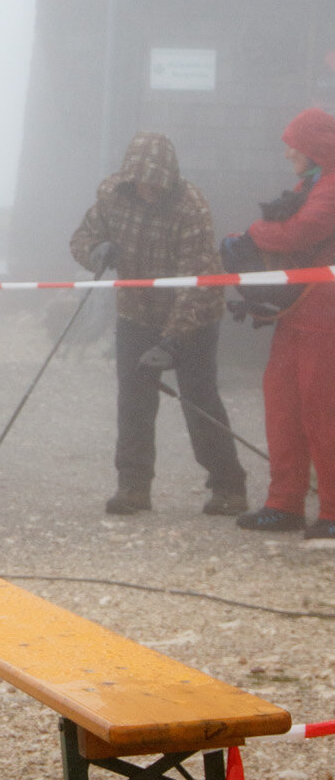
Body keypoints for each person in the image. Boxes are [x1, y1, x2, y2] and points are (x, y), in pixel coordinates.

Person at [68, 131, 246, 518]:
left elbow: (196, 280)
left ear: (169, 177)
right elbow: (82, 237)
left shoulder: (190, 207)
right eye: (141, 179)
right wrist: (95, 252)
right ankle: (133, 487)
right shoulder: (113, 195)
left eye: (156, 181)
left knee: (198, 399)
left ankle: (228, 485)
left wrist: (171, 342)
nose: (148, 187)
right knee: (133, 399)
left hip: (193, 315)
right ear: (130, 175)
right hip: (136, 313)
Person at [221, 107, 335, 541]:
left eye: (296, 145)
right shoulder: (312, 183)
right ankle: (284, 503)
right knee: (283, 403)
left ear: (317, 149)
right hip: (300, 313)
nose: (289, 153)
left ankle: (331, 511)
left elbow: (305, 229)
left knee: (322, 410)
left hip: (326, 318)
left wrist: (252, 236)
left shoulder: (329, 186)